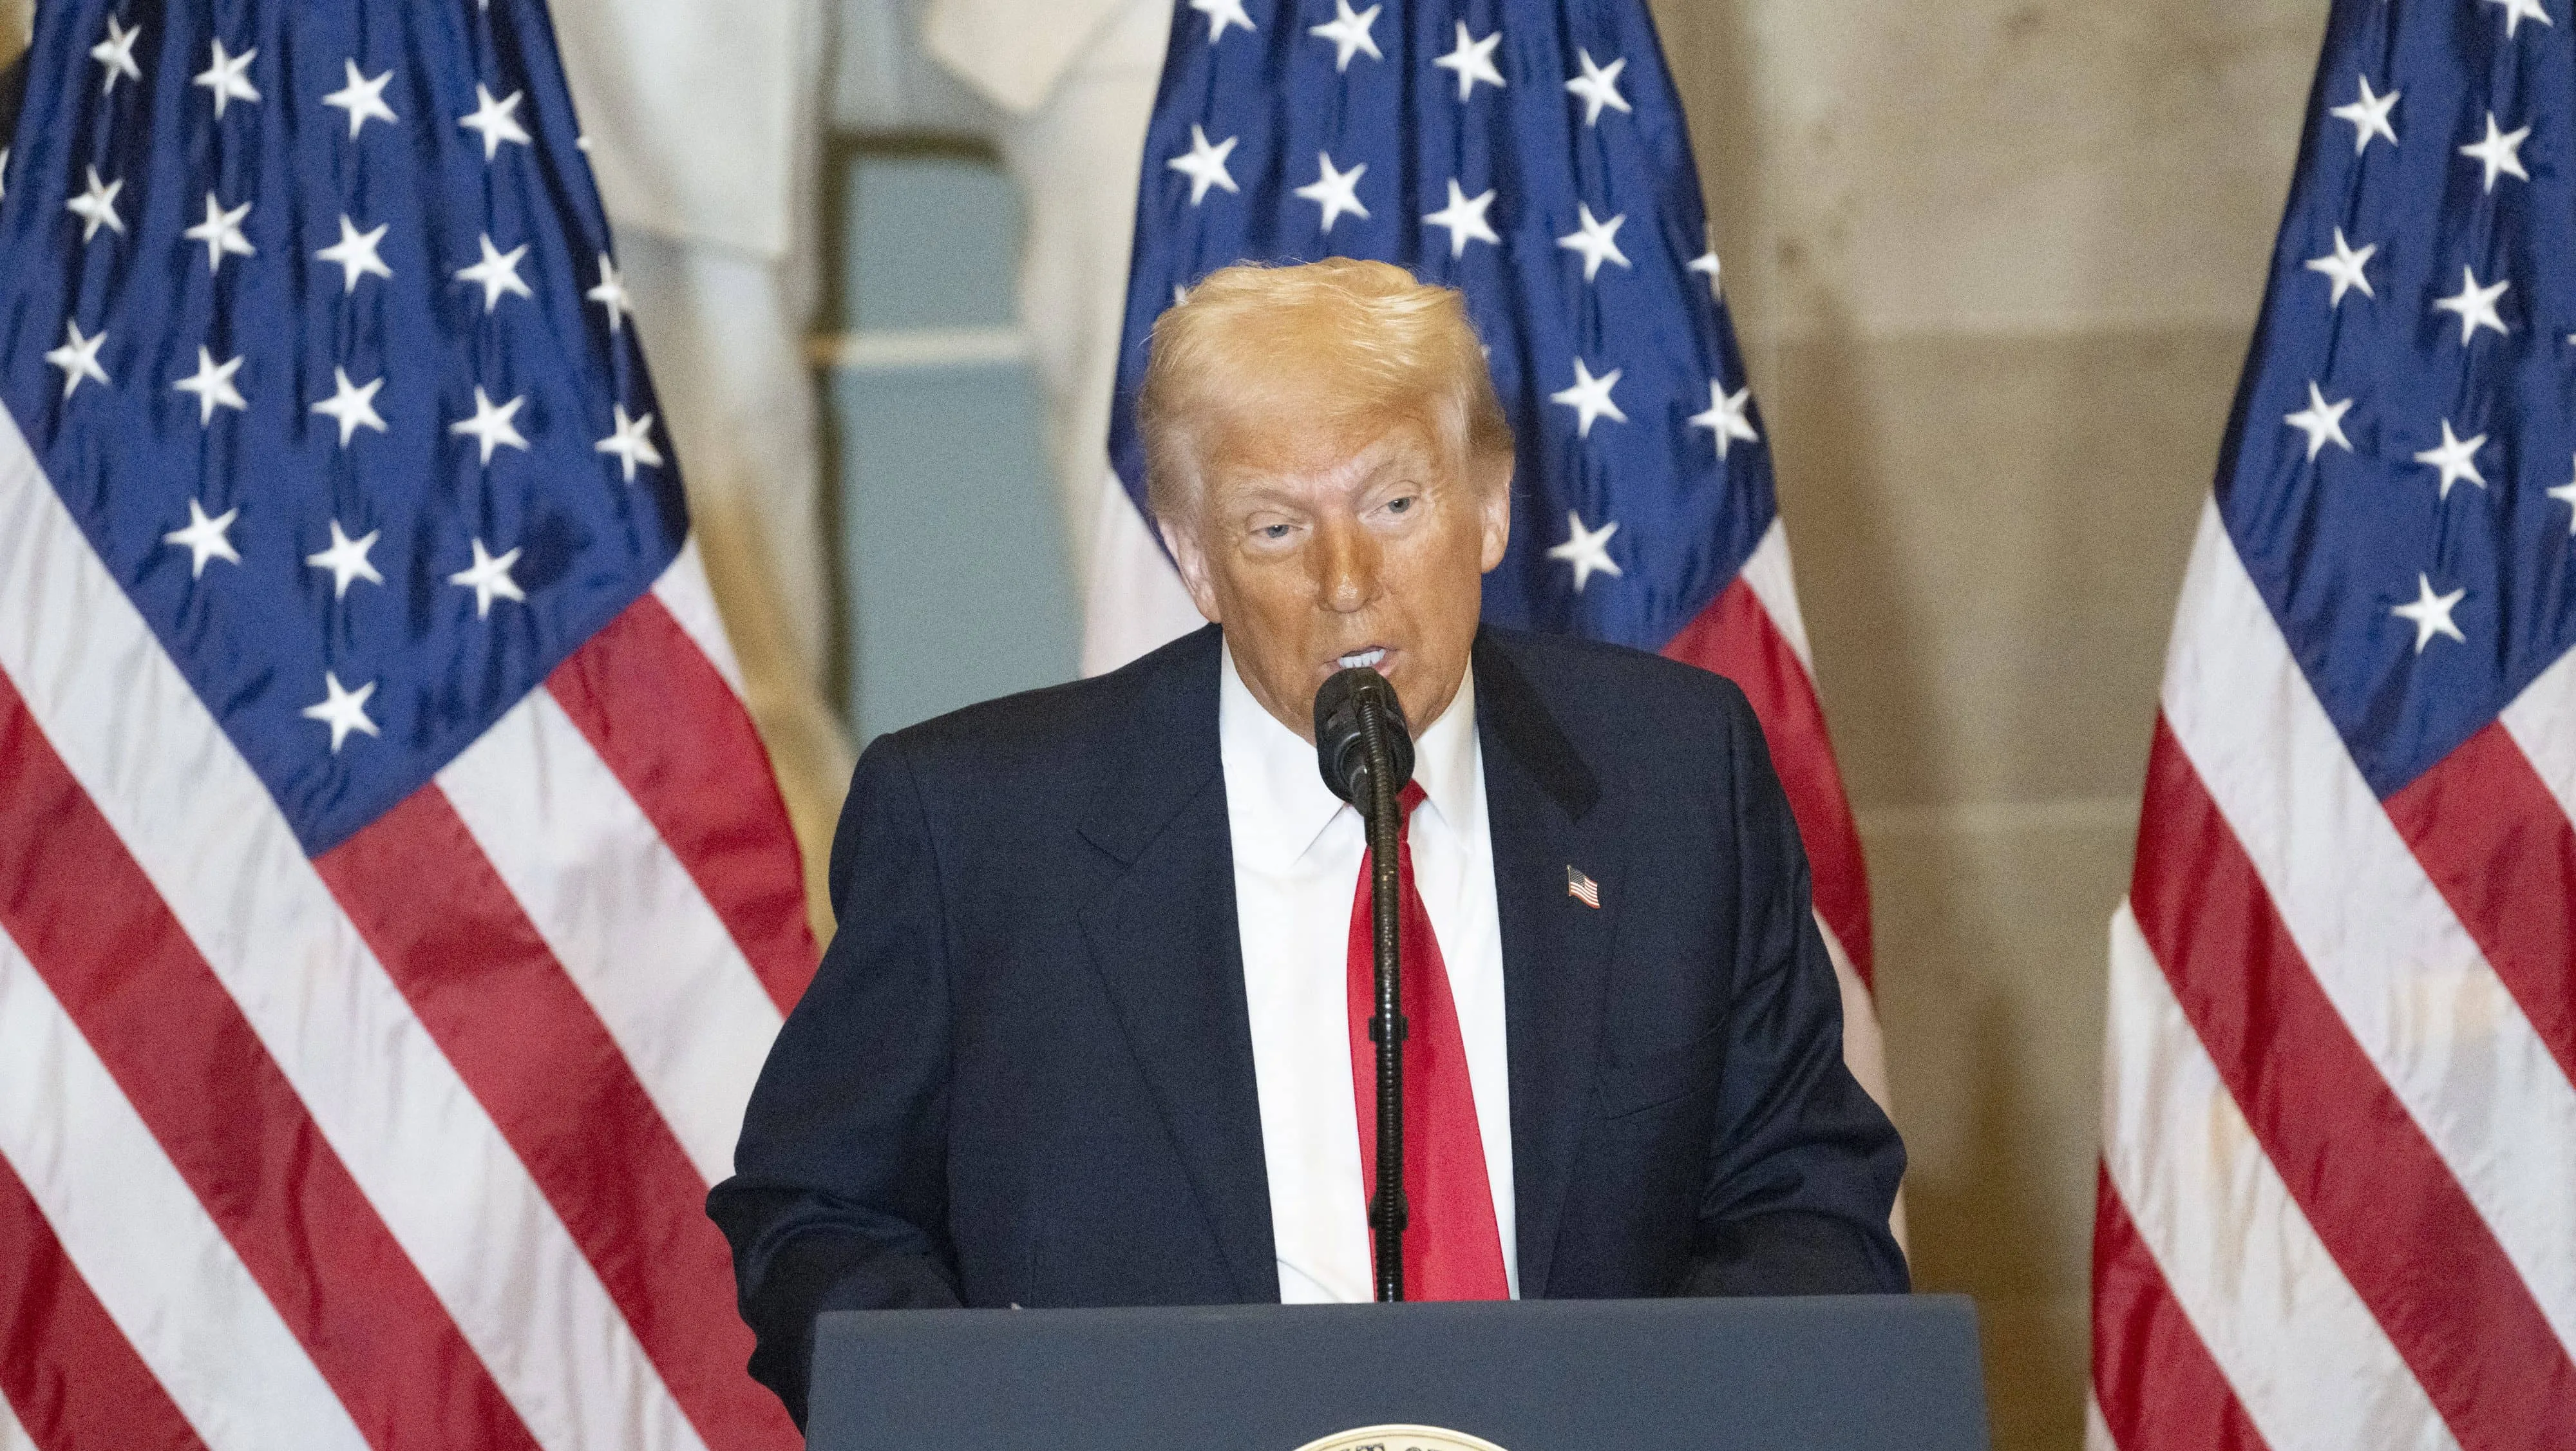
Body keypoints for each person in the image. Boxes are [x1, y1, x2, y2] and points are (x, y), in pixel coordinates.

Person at [708, 259, 1907, 1425]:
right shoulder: (978, 827)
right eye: (1277, 529)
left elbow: (1804, 1197)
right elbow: (819, 1217)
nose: (1348, 582)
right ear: (1194, 560)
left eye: (1395, 504)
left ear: (1489, 505)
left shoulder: (1672, 776)